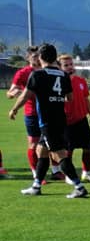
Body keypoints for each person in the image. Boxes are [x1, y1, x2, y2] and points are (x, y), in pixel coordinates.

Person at [8, 43, 88, 198]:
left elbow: (25, 95)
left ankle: (79, 187)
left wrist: (14, 109)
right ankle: (36, 186)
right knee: (41, 151)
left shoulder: (37, 75)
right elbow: (69, 98)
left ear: (41, 57)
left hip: (47, 121)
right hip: (60, 119)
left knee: (59, 154)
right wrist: (56, 97)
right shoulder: (63, 75)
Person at [59, 53, 90, 182]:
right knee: (68, 150)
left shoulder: (81, 81)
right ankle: (69, 175)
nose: (70, 67)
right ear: (60, 67)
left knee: (88, 147)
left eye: (71, 64)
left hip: (82, 120)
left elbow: (86, 99)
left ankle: (86, 173)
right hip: (66, 121)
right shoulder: (58, 83)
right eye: (66, 65)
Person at [7, 45, 43, 178]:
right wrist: (15, 93)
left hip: (48, 112)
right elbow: (10, 93)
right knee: (33, 143)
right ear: (28, 58)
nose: (37, 58)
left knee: (52, 143)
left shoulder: (47, 70)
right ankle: (36, 174)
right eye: (34, 56)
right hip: (32, 112)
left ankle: (56, 171)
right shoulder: (23, 73)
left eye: (39, 56)